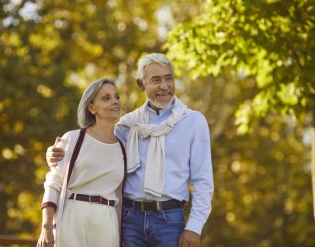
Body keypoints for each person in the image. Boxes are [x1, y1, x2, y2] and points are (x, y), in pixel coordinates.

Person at [47, 53, 214, 247]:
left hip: (170, 219)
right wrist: (56, 153)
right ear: (141, 84)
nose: (164, 86)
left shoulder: (193, 122)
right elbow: (99, 149)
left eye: (169, 78)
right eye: (156, 80)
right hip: (129, 219)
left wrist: (194, 226)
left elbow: (203, 181)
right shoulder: (128, 125)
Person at [38, 78, 126, 247]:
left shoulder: (124, 146)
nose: (115, 101)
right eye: (106, 98)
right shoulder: (73, 139)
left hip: (107, 218)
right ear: (91, 107)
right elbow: (53, 184)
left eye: (117, 97)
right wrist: (46, 228)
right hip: (73, 214)